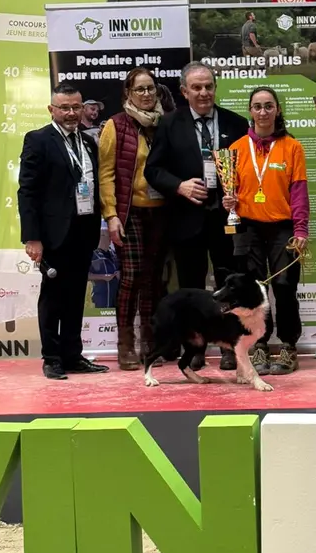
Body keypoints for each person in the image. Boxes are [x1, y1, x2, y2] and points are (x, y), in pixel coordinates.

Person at [144, 62, 249, 371]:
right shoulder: (168, 124)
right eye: (197, 87)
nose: (203, 93)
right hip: (186, 220)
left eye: (208, 86)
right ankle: (196, 348)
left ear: (215, 88)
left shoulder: (238, 123)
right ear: (184, 91)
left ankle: (231, 346)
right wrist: (179, 186)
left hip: (228, 219)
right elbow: (153, 170)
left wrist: (238, 194)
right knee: (191, 289)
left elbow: (249, 169)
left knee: (231, 285)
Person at [17, 82, 110, 381]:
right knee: (53, 296)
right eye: (65, 108)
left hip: (83, 229)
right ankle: (52, 357)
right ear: (52, 109)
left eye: (76, 107)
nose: (71, 113)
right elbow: (27, 191)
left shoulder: (88, 142)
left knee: (75, 295)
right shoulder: (38, 140)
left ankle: (73, 354)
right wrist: (32, 237)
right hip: (53, 233)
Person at [224, 86, 309, 376]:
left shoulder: (291, 147)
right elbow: (230, 192)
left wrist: (301, 229)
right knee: (253, 292)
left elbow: (298, 192)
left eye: (268, 106)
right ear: (250, 111)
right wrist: (228, 201)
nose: (263, 112)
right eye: (257, 106)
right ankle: (258, 344)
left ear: (277, 110)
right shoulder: (235, 149)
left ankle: (287, 346)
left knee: (285, 287)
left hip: (283, 228)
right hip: (248, 228)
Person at [98, 67, 168, 370]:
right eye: (140, 89)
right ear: (128, 93)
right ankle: (125, 345)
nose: (147, 94)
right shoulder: (116, 125)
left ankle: (150, 343)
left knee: (154, 280)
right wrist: (111, 215)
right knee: (132, 277)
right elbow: (106, 174)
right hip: (131, 212)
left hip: (162, 211)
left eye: (151, 88)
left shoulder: (165, 123)